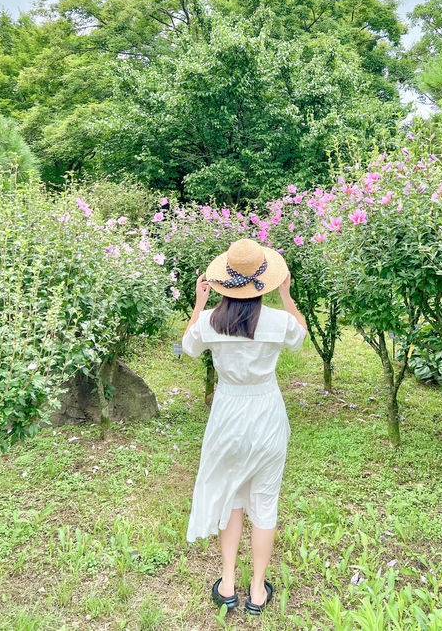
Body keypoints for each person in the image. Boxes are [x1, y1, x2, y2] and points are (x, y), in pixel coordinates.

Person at [181, 237, 307, 615]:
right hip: (267, 413)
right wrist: (287, 296)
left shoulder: (210, 322)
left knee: (231, 499)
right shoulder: (278, 321)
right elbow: (300, 336)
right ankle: (257, 591)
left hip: (228, 416)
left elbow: (187, 347)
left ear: (224, 281)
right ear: (264, 281)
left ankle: (228, 582)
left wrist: (199, 304)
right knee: (265, 501)